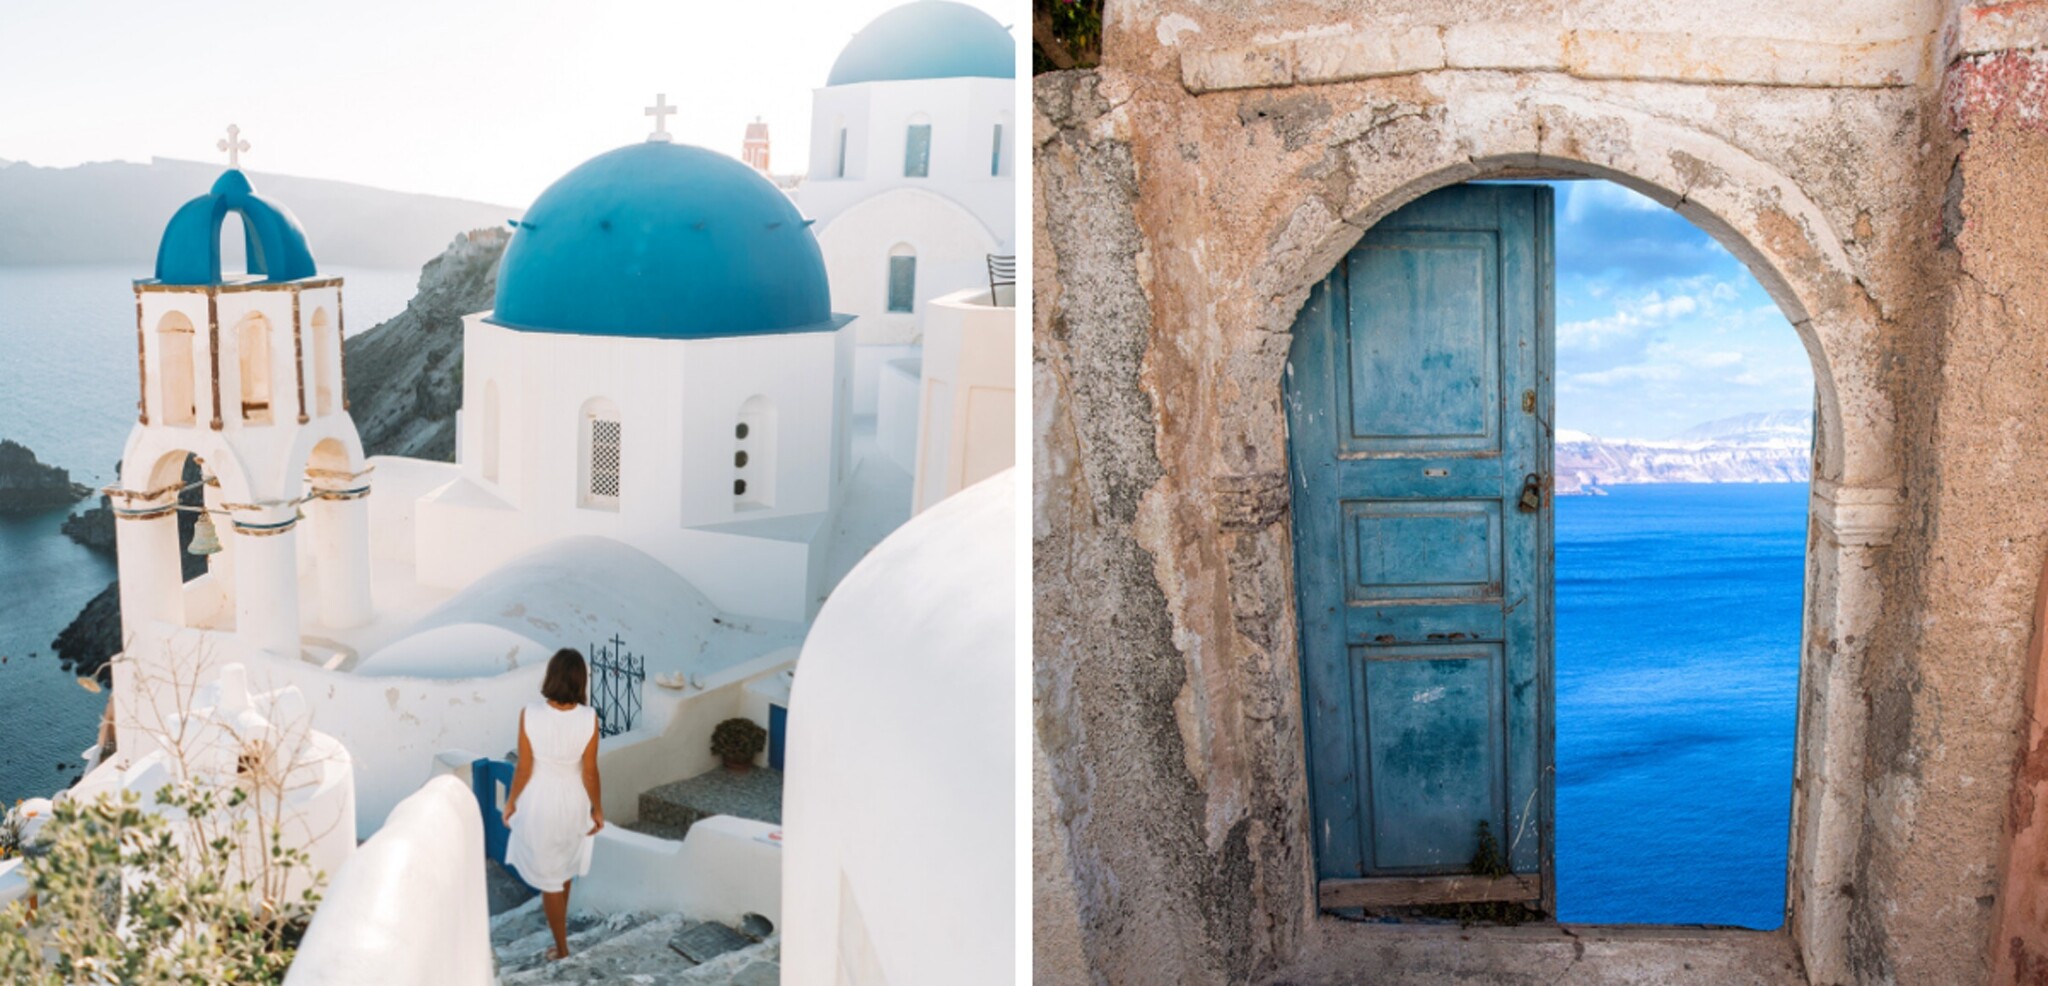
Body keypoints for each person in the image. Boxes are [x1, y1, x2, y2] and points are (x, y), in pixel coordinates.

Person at [503, 648, 605, 962]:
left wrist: (511, 803)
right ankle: (562, 943)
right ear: (580, 681)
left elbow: (524, 767)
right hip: (573, 800)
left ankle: (562, 950)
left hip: (539, 800)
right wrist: (597, 809)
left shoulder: (529, 713)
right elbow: (589, 771)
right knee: (561, 871)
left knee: (550, 878)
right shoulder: (589, 719)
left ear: (552, 676)